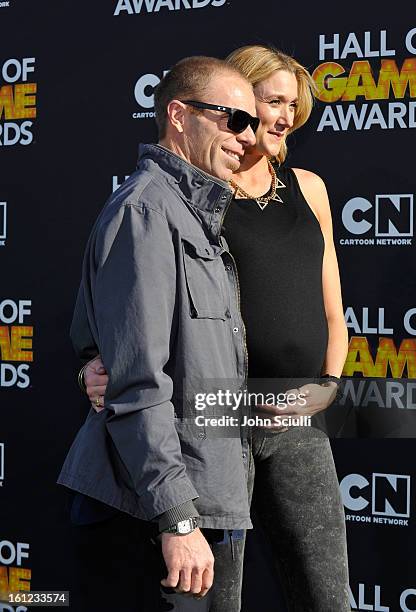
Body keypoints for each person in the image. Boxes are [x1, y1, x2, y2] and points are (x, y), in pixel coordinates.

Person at [83, 45, 351, 611]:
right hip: (213, 418)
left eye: (291, 108)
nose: (277, 119)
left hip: (296, 415)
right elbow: (121, 314)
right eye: (264, 104)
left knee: (327, 593)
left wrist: (326, 387)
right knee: (213, 596)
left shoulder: (305, 188)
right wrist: (93, 360)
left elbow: (333, 312)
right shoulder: (184, 200)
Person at [58, 55, 260, 612]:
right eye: (234, 120)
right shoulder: (147, 211)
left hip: (200, 501)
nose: (249, 138)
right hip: (151, 515)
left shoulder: (192, 216)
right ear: (178, 114)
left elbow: (98, 348)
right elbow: (138, 378)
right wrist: (177, 517)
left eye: (255, 124)